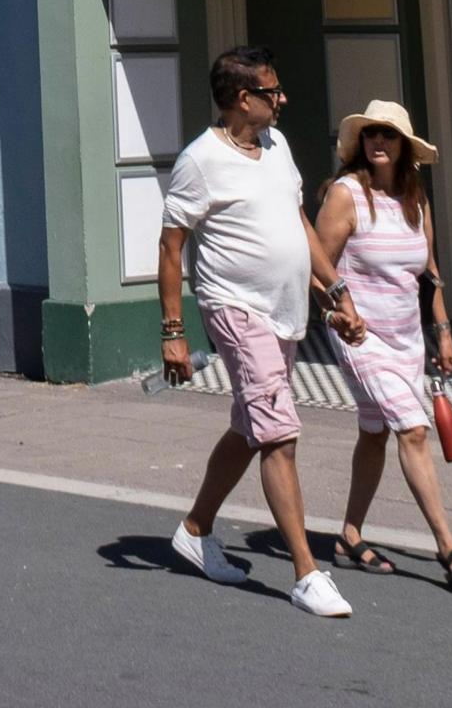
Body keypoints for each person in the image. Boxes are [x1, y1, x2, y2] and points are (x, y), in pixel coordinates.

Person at [156, 46, 362, 619]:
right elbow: (172, 249)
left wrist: (336, 293)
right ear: (243, 99)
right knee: (279, 434)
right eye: (272, 92)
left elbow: (297, 224)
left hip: (285, 310)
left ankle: (195, 530)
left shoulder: (276, 145)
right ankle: (306, 573)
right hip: (235, 308)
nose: (283, 99)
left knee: (252, 426)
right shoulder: (200, 161)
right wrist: (173, 331)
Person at [312, 101, 452, 588]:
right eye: (371, 135)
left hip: (407, 336)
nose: (378, 143)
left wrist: (443, 331)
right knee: (412, 429)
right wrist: (336, 312)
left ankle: (349, 534)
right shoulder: (346, 196)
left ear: (404, 145)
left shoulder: (415, 198)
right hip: (359, 334)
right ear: (360, 144)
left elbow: (429, 275)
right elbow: (315, 266)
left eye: (388, 135)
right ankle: (448, 546)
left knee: (374, 432)